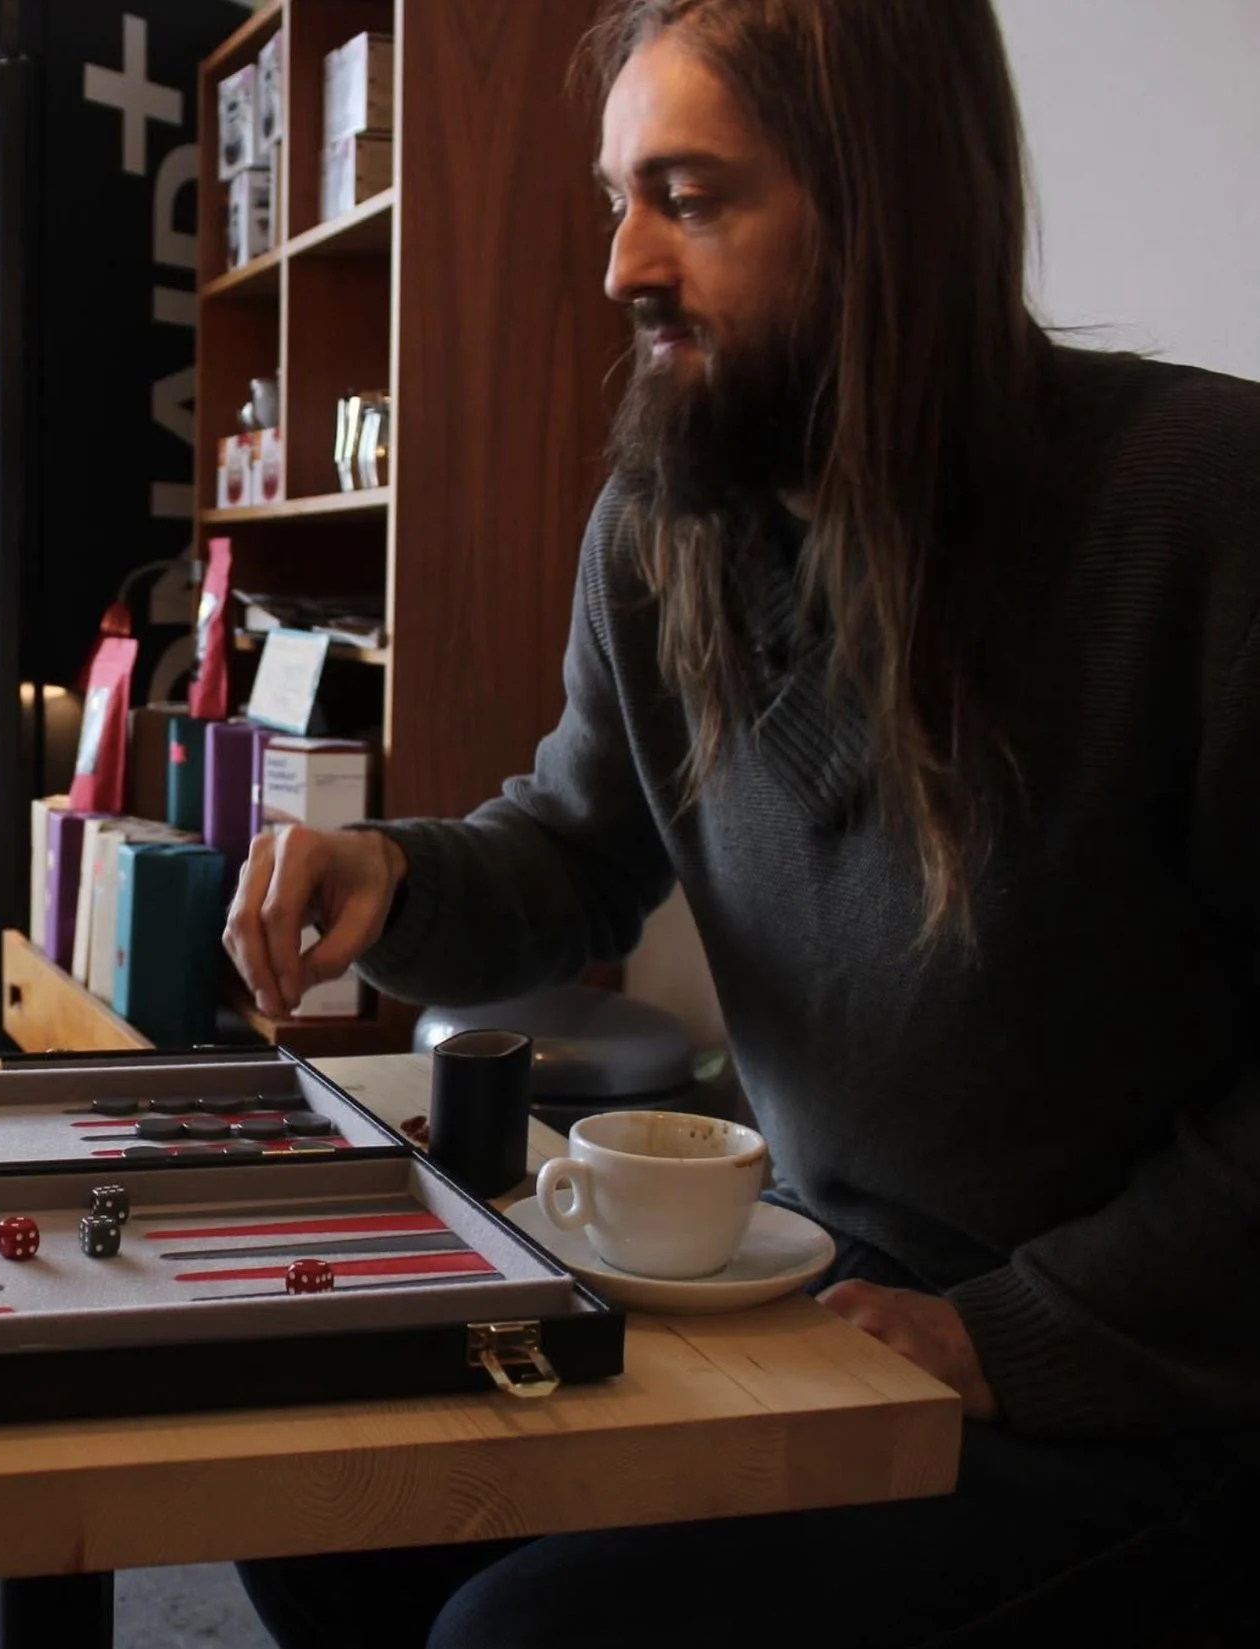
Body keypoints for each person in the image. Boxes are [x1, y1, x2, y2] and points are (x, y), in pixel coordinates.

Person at [223, 2, 1259, 1644]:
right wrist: (395, 872)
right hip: (809, 1287)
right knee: (315, 1496)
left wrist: (1019, 1333)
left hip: (1147, 1386)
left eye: (690, 199)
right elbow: (573, 849)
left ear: (890, 208)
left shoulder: (1207, 504)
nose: (625, 261)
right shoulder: (662, 525)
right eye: (615, 198)